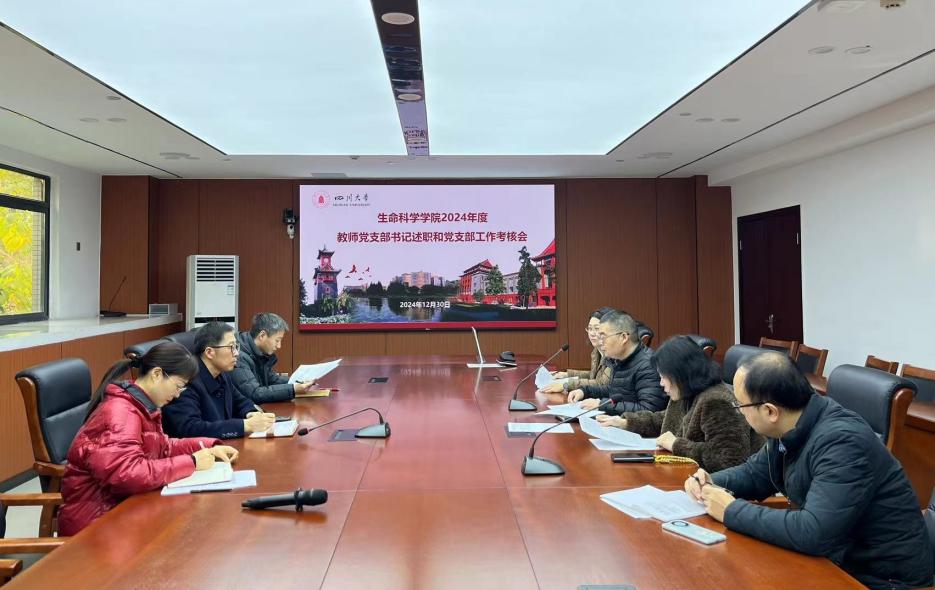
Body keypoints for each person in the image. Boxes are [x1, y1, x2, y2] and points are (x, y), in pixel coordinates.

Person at [685, 353, 933, 589]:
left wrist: (730, 510)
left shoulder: (843, 443)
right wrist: (709, 481)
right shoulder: (792, 423)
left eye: (740, 404)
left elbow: (813, 532)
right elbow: (757, 474)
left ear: (770, 411)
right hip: (836, 559)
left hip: (880, 579)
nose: (739, 411)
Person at [58, 342, 239, 535]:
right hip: (96, 525)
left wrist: (208, 447)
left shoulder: (141, 405)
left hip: (125, 509)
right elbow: (126, 474)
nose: (177, 395)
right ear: (157, 374)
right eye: (178, 386)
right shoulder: (121, 412)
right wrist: (192, 462)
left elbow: (163, 447)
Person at [596, 336, 763, 471]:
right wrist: (626, 422)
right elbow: (666, 419)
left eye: (663, 377)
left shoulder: (716, 401)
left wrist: (676, 444)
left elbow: (728, 459)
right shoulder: (686, 391)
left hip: (719, 489)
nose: (661, 383)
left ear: (680, 374)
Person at [163, 321, 276, 439]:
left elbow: (240, 401)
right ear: (209, 352)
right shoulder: (186, 380)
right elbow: (191, 428)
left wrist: (252, 414)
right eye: (231, 347)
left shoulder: (222, 374)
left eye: (236, 347)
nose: (236, 353)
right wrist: (245, 425)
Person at [566, 310, 666, 415]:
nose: (600, 342)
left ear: (623, 337)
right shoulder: (619, 359)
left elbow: (649, 410)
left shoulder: (648, 365)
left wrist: (601, 405)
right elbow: (614, 391)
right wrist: (584, 391)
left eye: (603, 337)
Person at [232, 312, 314, 403]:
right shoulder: (238, 357)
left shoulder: (260, 353)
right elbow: (255, 394)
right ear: (262, 335)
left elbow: (272, 380)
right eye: (277, 340)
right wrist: (293, 389)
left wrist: (299, 381)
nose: (279, 346)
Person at [540, 306, 615, 394]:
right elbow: (593, 376)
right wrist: (567, 375)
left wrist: (566, 384)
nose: (591, 333)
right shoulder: (596, 351)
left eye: (597, 329)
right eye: (590, 328)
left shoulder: (614, 354)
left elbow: (601, 383)